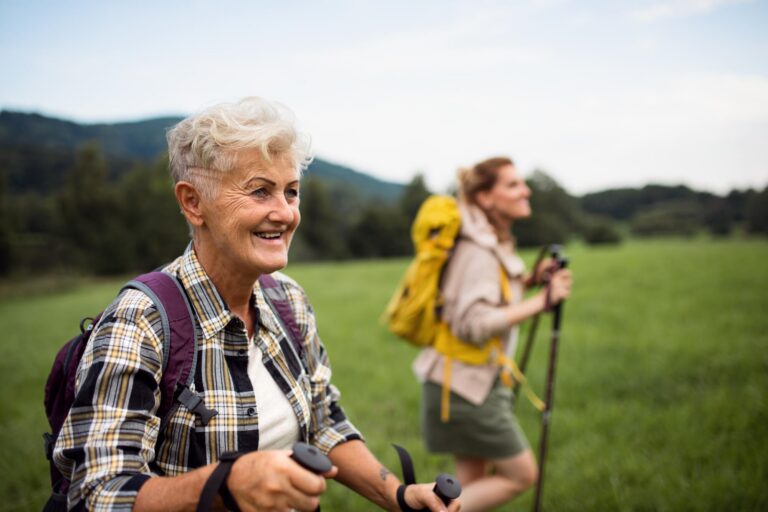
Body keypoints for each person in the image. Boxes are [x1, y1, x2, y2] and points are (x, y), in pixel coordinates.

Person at [53, 97, 460, 512]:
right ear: (193, 202)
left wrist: (400, 495)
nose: (284, 213)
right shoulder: (139, 322)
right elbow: (96, 493)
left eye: (292, 192)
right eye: (260, 191)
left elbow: (323, 423)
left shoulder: (289, 300)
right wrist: (223, 484)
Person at [412, 156, 572, 512]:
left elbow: (485, 297)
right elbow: (474, 323)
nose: (525, 190)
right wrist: (543, 301)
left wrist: (530, 282)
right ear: (486, 198)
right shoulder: (477, 250)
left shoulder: (487, 242)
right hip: (467, 388)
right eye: (513, 184)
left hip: (463, 382)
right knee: (521, 474)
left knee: (466, 491)